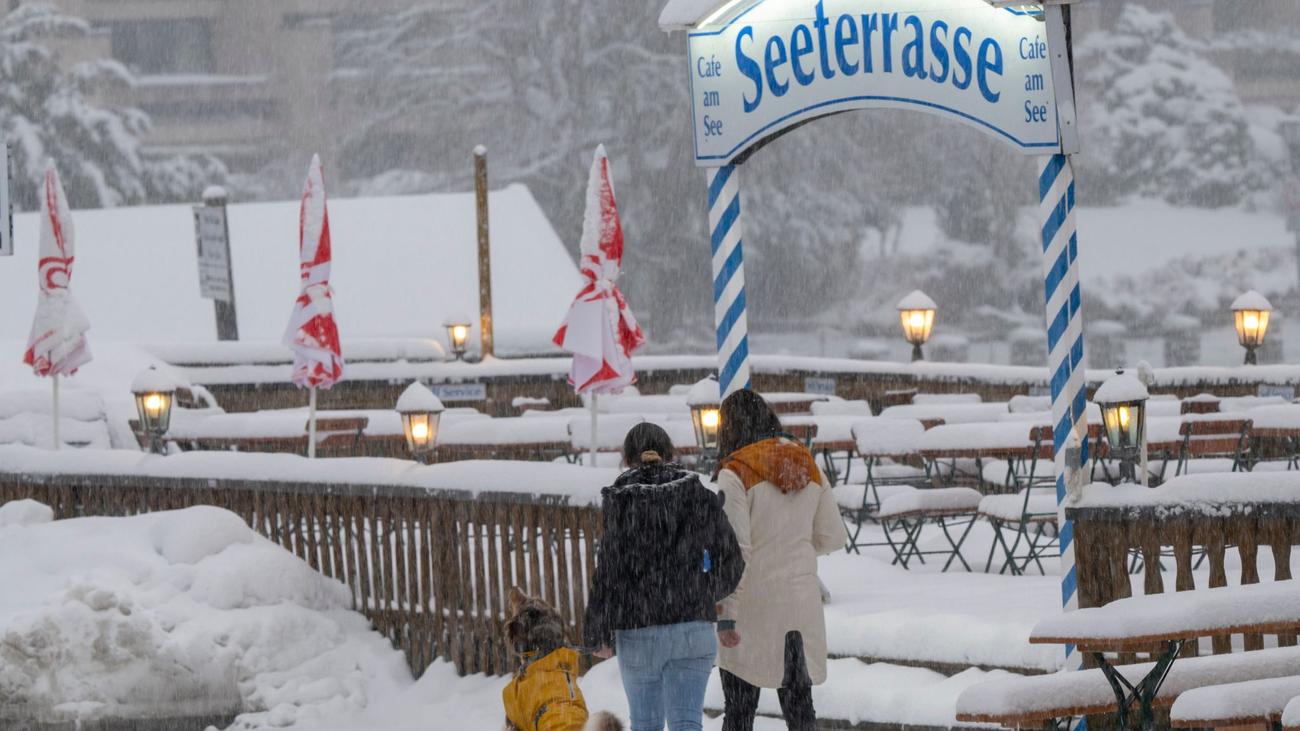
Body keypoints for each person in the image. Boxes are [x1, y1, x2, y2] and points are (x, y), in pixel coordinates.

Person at [583, 423, 745, 731]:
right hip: (692, 629)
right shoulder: (697, 495)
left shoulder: (622, 499)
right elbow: (732, 561)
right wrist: (702, 591)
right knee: (687, 723)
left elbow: (608, 572)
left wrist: (597, 629)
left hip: (639, 630)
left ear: (627, 458)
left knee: (646, 724)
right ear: (669, 452)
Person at [713, 390, 844, 731]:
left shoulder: (735, 472)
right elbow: (833, 535)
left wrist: (726, 615)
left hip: (752, 607)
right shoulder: (807, 464)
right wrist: (793, 547)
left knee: (739, 712)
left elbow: (736, 550)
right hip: (801, 607)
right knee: (800, 712)